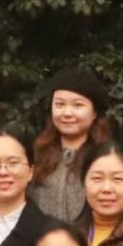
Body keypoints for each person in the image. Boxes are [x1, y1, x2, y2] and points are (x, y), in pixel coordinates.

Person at [29, 66, 113, 223]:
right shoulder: (36, 155)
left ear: (94, 112)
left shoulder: (107, 158)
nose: (67, 113)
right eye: (60, 104)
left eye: (77, 105)